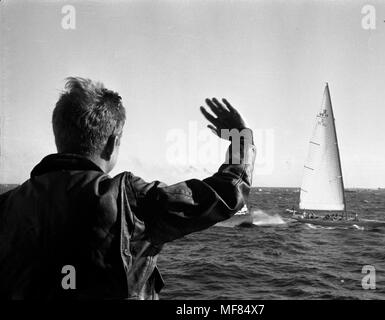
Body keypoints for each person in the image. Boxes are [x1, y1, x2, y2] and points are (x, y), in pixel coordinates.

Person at [0, 77, 256, 300]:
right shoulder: (129, 198)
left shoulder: (7, 205)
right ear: (113, 143)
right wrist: (240, 137)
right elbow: (226, 193)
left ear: (58, 135)